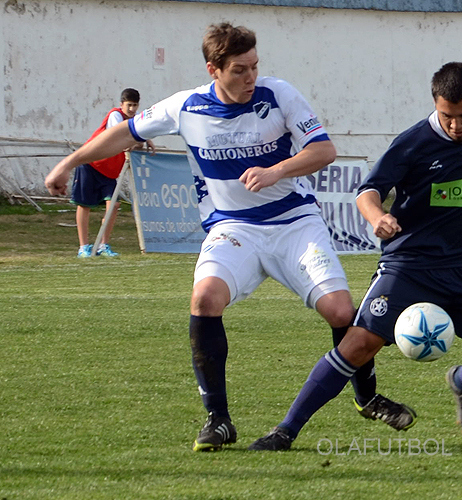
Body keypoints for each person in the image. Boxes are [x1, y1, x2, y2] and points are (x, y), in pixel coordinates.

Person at [45, 23, 414, 452]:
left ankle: (366, 398)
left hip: (294, 222)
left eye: (255, 67)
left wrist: (276, 171)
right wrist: (68, 162)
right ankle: (218, 420)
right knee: (204, 300)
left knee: (340, 310)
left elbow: (323, 150)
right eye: (239, 70)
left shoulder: (279, 95)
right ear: (213, 69)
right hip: (233, 228)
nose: (250, 77)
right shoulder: (186, 106)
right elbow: (124, 133)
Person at [248, 61, 462, 451]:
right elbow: (368, 191)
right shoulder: (413, 143)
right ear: (436, 106)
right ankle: (285, 431)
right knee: (358, 344)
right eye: (447, 116)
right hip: (410, 264)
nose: (455, 125)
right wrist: (377, 215)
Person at [70, 88, 155, 257]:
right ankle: (83, 247)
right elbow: (122, 137)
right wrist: (139, 141)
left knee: (114, 205)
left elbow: (139, 133)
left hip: (109, 172)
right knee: (84, 205)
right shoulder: (115, 116)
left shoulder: (136, 120)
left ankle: (103, 245)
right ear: (121, 104)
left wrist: (147, 140)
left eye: (135, 105)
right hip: (91, 163)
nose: (131, 109)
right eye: (129, 105)